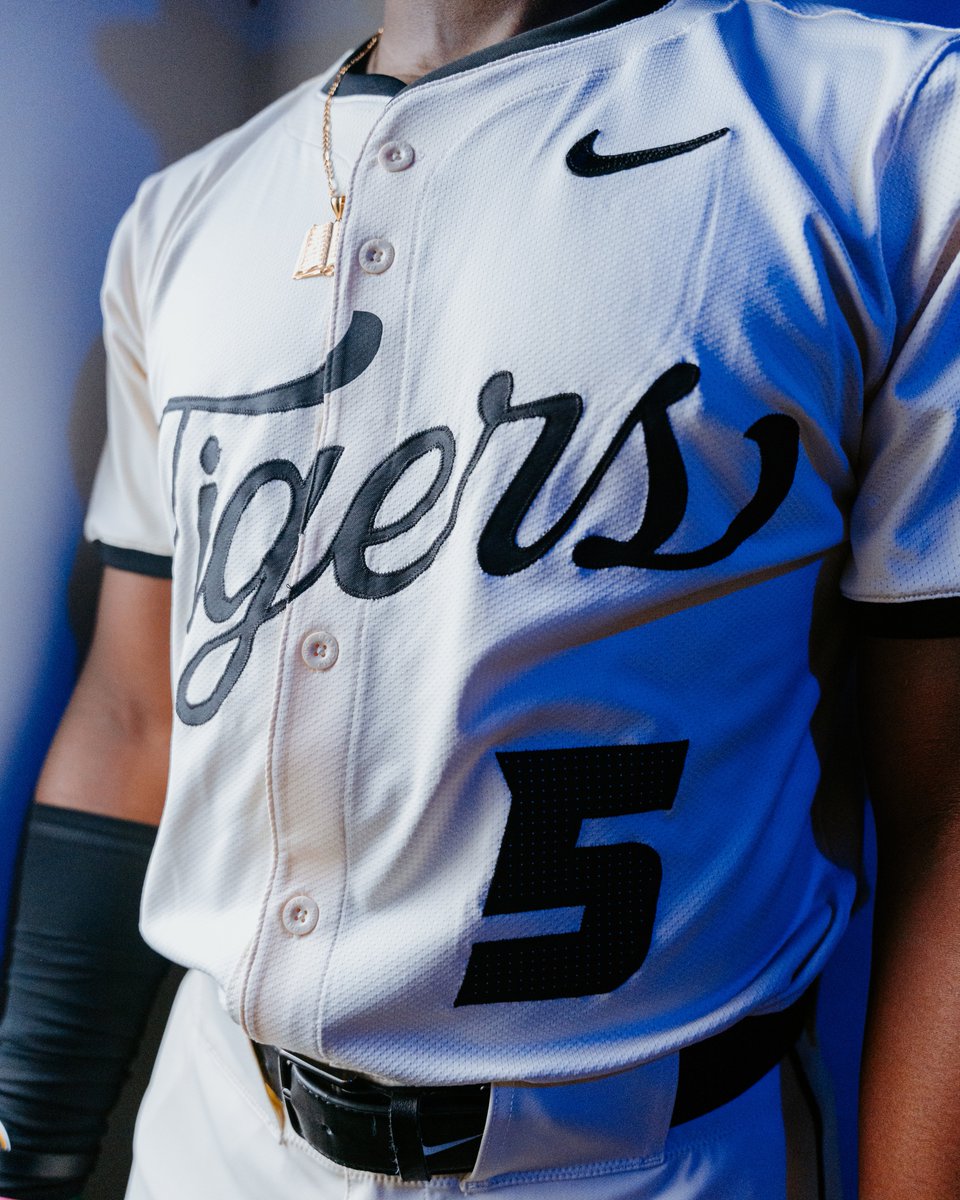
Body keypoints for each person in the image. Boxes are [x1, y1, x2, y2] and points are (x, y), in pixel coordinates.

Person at [1, 0, 959, 1196]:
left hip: (642, 1155)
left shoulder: (887, 127)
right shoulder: (187, 213)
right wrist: (29, 1141)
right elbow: (134, 718)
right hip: (218, 1137)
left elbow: (948, 810)